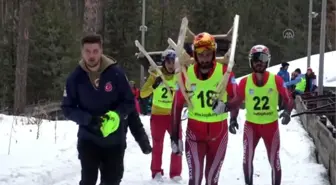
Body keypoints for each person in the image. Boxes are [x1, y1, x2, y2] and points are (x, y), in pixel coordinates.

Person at [61, 34, 151, 185]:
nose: (91, 56)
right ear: (82, 52)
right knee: (88, 180)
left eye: (95, 51)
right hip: (88, 139)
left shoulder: (116, 73)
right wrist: (88, 120)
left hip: (114, 141)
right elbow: (67, 108)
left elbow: (130, 103)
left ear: (101, 50)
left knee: (112, 181)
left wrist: (116, 115)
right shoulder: (74, 78)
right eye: (88, 51)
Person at [214, 45, 294, 185]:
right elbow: (236, 101)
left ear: (267, 61)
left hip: (271, 126)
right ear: (251, 61)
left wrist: (287, 111)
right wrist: (230, 115)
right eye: (256, 59)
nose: (259, 62)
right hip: (251, 126)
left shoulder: (276, 80)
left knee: (274, 159)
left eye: (262, 58)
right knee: (247, 158)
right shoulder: (245, 82)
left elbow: (289, 99)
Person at [171, 32, 238, 185]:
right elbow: (177, 105)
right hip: (194, 135)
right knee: (195, 178)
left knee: (211, 180)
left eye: (208, 54)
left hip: (219, 136)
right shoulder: (185, 74)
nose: (204, 59)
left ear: (214, 53)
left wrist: (228, 108)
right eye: (200, 55)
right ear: (195, 54)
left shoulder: (224, 71)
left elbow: (237, 98)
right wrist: (175, 136)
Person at [140, 49, 182, 182]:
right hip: (158, 115)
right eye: (168, 62)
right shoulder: (155, 75)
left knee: (177, 144)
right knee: (158, 145)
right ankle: (156, 171)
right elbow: (142, 94)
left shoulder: (179, 76)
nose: (171, 65)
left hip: (173, 116)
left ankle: (175, 173)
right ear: (164, 62)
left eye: (173, 62)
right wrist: (154, 84)